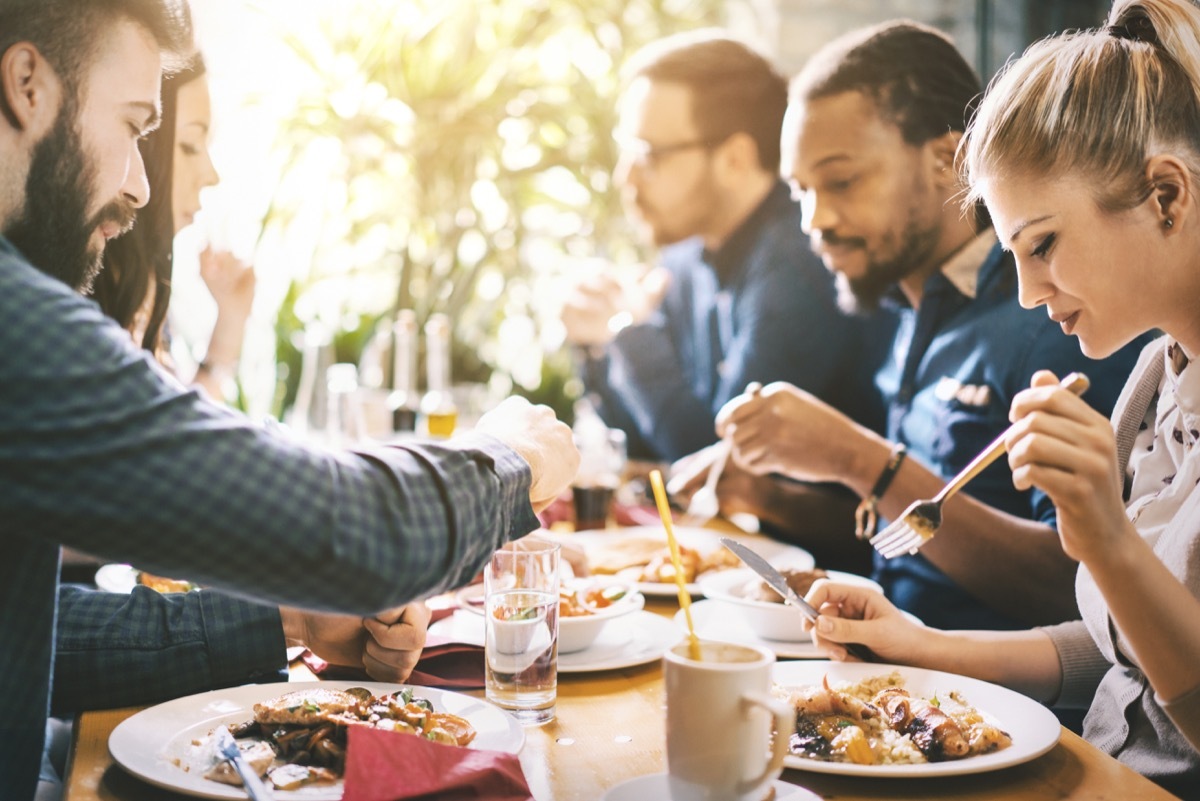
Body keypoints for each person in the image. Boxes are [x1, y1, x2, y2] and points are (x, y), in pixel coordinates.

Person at [0, 2, 577, 798]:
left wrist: (294, 620)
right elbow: (360, 528)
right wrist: (515, 457)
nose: (141, 181)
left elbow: (30, 632)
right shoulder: (15, 325)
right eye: (136, 126)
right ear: (26, 83)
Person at [802, 1, 1200, 794]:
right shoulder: (1157, 380)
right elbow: (1120, 653)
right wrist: (917, 644)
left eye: (1043, 244)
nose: (1023, 293)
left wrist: (1109, 542)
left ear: (1166, 195)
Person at [716, 20, 1150, 631]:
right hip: (902, 677)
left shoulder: (1058, 317)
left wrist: (860, 459)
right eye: (801, 191)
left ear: (948, 160)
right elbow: (918, 549)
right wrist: (774, 496)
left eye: (841, 181)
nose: (815, 219)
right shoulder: (902, 309)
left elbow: (1084, 595)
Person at [561, 30, 889, 465]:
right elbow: (643, 449)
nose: (627, 178)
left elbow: (717, 463)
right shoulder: (685, 258)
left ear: (735, 159)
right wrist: (596, 346)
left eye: (649, 155)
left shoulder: (803, 263)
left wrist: (629, 334)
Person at [91, 56, 255, 402]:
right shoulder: (87, 315)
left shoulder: (142, 297)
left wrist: (231, 320)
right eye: (190, 145)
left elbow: (176, 432)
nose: (211, 175)